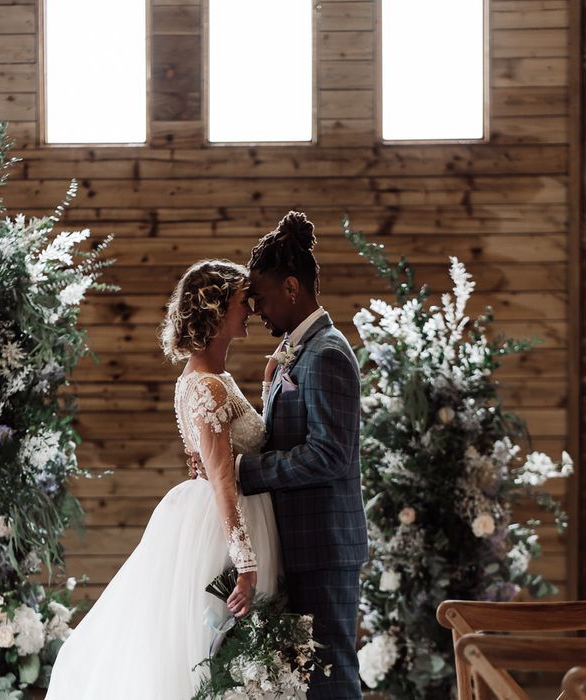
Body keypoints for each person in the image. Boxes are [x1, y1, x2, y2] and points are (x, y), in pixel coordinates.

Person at [46, 260, 283, 699]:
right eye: (240, 301)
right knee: (219, 652)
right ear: (214, 312)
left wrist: (267, 391)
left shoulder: (205, 379)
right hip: (223, 523)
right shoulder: (208, 387)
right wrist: (246, 563)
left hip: (210, 513)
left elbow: (239, 443)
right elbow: (222, 479)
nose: (249, 309)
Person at [194, 211, 368, 699]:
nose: (257, 310)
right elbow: (289, 436)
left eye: (262, 298)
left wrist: (243, 470)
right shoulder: (297, 351)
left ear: (292, 288)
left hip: (324, 545)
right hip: (299, 541)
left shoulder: (328, 352)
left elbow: (329, 455)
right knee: (305, 679)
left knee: (331, 675)